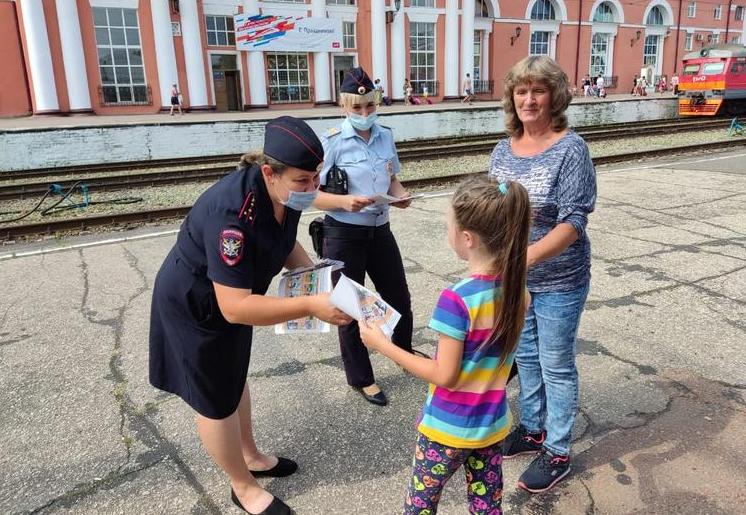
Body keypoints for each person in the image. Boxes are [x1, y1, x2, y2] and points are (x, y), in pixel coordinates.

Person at [149, 116, 352, 515]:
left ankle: (252, 457)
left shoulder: (285, 193)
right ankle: (241, 486)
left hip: (234, 299)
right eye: (303, 181)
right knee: (215, 401)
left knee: (234, 377)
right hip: (199, 308)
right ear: (268, 172)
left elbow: (284, 240)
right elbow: (235, 307)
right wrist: (311, 304)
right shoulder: (232, 216)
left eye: (316, 178)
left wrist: (313, 279)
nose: (311, 189)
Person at [360, 176, 532, 514]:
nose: (447, 233)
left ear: (466, 239)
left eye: (448, 226)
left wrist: (382, 345)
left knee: (421, 503)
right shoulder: (518, 292)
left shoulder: (458, 299)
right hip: (492, 423)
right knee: (486, 502)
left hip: (448, 429)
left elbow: (445, 374)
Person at [488, 55, 597, 494]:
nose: (528, 99)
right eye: (521, 91)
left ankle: (557, 450)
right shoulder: (503, 148)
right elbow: (494, 205)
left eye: (538, 90)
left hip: (560, 280)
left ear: (555, 96)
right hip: (517, 279)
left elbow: (574, 222)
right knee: (526, 358)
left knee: (556, 364)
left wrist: (524, 258)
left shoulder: (571, 149)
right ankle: (532, 427)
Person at [314, 67, 415, 406]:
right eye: (357, 108)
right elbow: (308, 195)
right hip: (344, 233)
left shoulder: (385, 135)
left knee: (398, 297)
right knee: (351, 307)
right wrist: (344, 201)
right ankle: (362, 378)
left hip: (380, 230)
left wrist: (401, 195)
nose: (364, 114)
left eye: (369, 107)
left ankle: (403, 353)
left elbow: (392, 179)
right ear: (345, 106)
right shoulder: (331, 142)